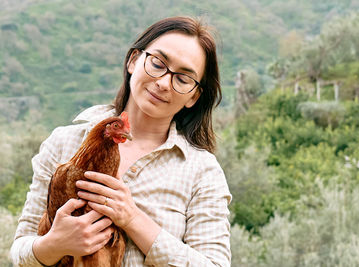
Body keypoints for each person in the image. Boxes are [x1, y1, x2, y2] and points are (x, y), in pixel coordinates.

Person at [10, 16, 231, 266]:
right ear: (133, 60)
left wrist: (133, 218)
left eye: (182, 79)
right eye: (158, 63)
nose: (163, 83)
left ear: (194, 96)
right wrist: (55, 244)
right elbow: (20, 251)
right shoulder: (63, 142)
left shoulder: (202, 171)